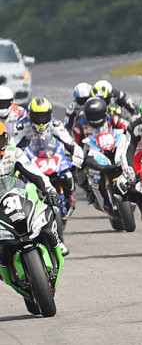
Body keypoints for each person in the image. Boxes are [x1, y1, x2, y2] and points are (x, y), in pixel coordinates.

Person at [0, 121, 67, 256]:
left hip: (20, 196)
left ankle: (58, 241)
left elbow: (34, 173)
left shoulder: (14, 153)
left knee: (53, 206)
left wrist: (48, 189)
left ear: (5, 138)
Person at [16, 97, 85, 168]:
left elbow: (69, 142)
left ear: (50, 115)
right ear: (30, 115)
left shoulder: (55, 124)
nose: (41, 120)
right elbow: (12, 145)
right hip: (29, 163)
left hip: (52, 160)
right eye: (37, 116)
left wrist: (77, 156)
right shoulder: (23, 126)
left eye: (44, 116)